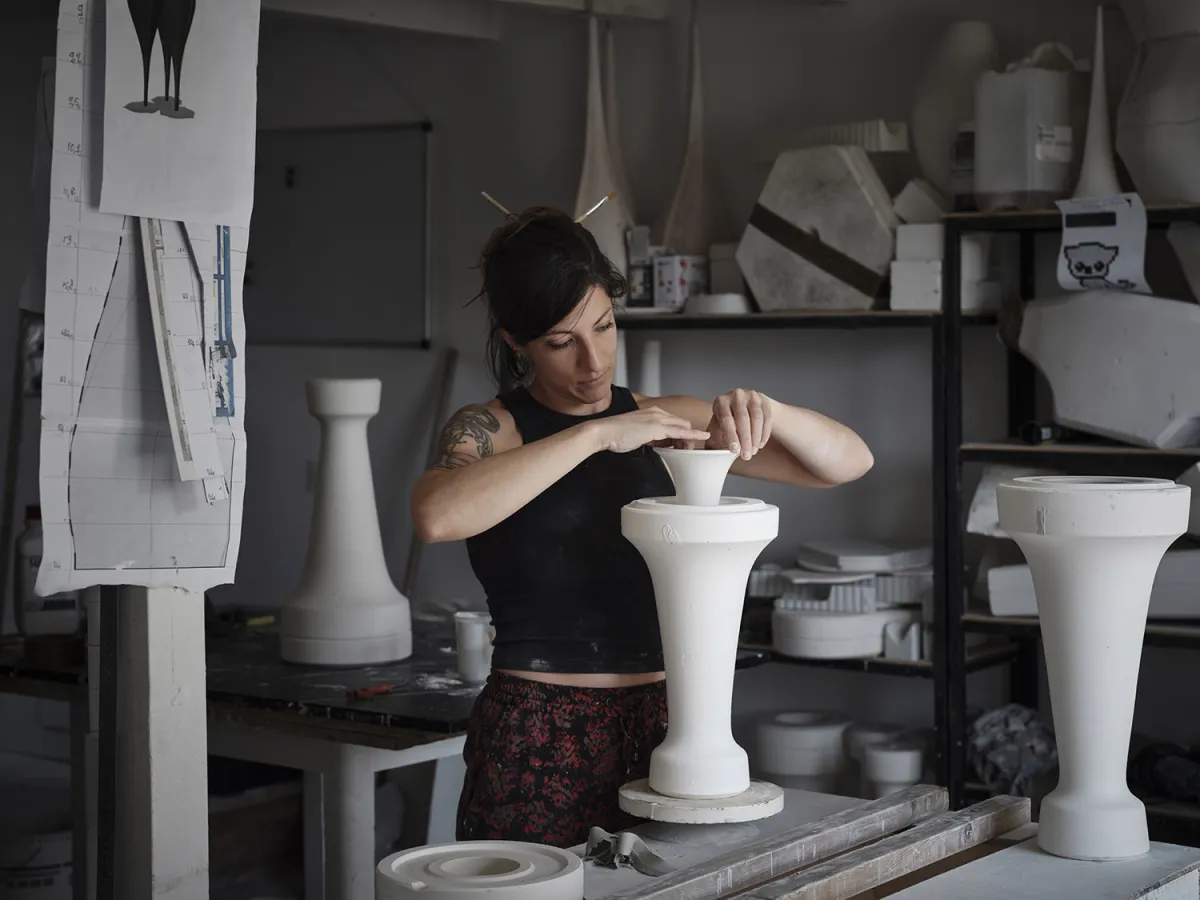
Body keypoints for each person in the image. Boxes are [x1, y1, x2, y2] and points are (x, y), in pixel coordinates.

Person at [410, 205, 874, 849]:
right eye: (561, 343)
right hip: (538, 732)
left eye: (604, 326)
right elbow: (436, 516)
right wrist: (598, 434)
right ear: (517, 341)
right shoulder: (493, 430)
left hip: (667, 729)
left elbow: (848, 462)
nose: (593, 361)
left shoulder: (663, 422)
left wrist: (768, 409)